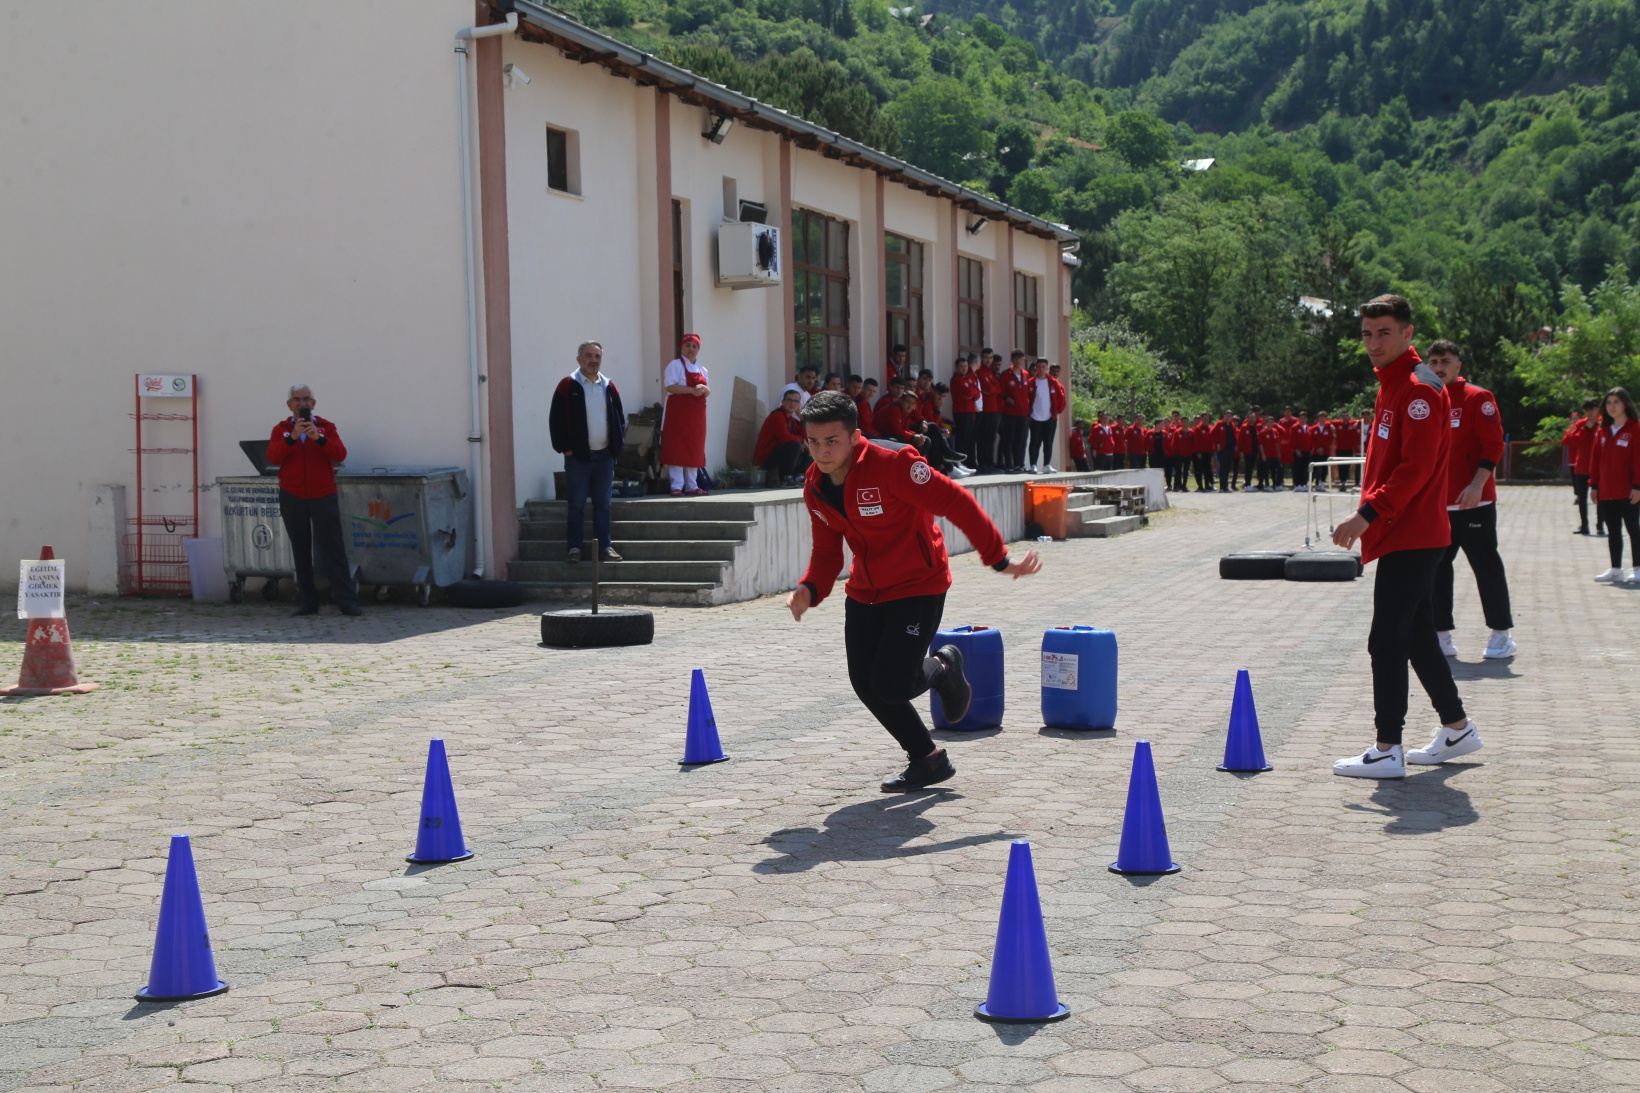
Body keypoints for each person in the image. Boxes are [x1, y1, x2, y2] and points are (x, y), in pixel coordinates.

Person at [785, 391, 1042, 792]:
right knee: (864, 683)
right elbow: (826, 553)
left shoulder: (895, 465)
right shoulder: (815, 485)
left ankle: (944, 664)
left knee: (891, 683)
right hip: (866, 590)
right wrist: (810, 589)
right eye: (813, 442)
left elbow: (957, 502)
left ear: (855, 437)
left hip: (918, 585)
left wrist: (999, 558)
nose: (821, 451)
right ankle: (927, 759)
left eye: (832, 441)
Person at [1331, 295, 1476, 779]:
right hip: (1407, 532)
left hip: (1411, 534)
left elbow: (1415, 470)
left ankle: (1386, 749)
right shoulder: (1394, 383)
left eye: (1384, 333)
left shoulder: (1417, 389)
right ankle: (1456, 729)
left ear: (1408, 334)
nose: (1374, 342)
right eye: (1368, 334)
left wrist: (1366, 515)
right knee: (1415, 637)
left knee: (1386, 641)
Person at [1425, 340, 1515, 659]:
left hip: (1473, 503)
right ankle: (1441, 635)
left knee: (1485, 566)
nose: (1439, 367)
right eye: (1433, 361)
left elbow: (1493, 446)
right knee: (1436, 569)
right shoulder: (1424, 399)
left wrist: (1477, 484)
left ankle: (1501, 634)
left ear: (1458, 365)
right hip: (1437, 506)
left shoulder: (1478, 398)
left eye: (1445, 361)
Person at [265, 383, 361, 616]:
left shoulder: (327, 427)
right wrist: (293, 437)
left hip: (323, 495)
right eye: (296, 400)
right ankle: (308, 603)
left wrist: (318, 438)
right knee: (300, 549)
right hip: (293, 495)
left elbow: (340, 454)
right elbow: (273, 457)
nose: (302, 403)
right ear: (289, 405)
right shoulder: (281, 429)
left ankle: (347, 602)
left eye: (306, 399)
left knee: (333, 549)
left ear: (313, 403)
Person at [549, 341, 628, 563]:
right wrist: (565, 448)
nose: (593, 360)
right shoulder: (567, 385)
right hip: (578, 458)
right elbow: (556, 420)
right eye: (589, 355)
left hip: (604, 457)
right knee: (576, 504)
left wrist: (616, 448)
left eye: (597, 356)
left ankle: (605, 547)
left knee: (604, 504)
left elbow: (619, 418)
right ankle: (574, 548)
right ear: (579, 359)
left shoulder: (609, 386)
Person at [1590, 387, 1640, 583]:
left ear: (1625, 404)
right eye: (1608, 403)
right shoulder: (1602, 431)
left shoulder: (1635, 429)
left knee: (1633, 529)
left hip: (1629, 491)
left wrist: (1638, 486)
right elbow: (1595, 461)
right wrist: (1594, 485)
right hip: (1606, 492)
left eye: (1616, 402)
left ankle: (1637, 568)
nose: (1612, 406)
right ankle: (1616, 569)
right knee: (1613, 530)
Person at [661, 334, 710, 496]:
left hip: (696, 416)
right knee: (677, 447)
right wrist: (692, 390)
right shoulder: (674, 366)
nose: (691, 349)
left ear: (698, 350)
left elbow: (707, 391)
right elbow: (670, 387)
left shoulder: (703, 370)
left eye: (694, 346)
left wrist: (705, 390)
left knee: (694, 448)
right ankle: (676, 485)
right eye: (688, 345)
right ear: (681, 348)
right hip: (678, 414)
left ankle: (692, 485)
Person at [756, 388, 810, 486]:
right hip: (768, 458)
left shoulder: (792, 420)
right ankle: (787, 477)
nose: (792, 404)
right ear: (783, 402)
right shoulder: (777, 415)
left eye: (795, 401)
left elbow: (806, 437)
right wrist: (802, 441)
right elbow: (785, 437)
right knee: (796, 444)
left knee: (811, 447)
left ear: (799, 405)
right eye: (789, 400)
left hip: (780, 458)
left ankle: (799, 476)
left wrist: (803, 420)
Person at [1565, 398, 1602, 535]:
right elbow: (1571, 441)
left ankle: (1600, 525)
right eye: (1587, 410)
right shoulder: (1581, 424)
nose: (1590, 412)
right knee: (1582, 497)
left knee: (1601, 498)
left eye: (1592, 409)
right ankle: (1584, 525)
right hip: (1582, 466)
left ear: (1598, 409)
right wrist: (1586, 428)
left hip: (1598, 467)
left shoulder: (1604, 423)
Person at [1027, 359, 1064, 473]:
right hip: (1035, 417)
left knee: (1048, 442)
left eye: (1044, 367)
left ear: (1047, 368)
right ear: (1036, 368)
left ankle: (1046, 464)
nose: (1041, 369)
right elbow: (1026, 399)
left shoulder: (1053, 382)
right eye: (1039, 367)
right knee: (1034, 442)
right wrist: (1028, 414)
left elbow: (1062, 399)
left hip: (1049, 417)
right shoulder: (1031, 382)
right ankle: (1033, 464)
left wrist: (1056, 412)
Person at [999, 351, 1031, 472]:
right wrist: (1007, 398)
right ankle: (1009, 464)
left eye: (1020, 358)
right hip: (1010, 413)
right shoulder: (1006, 374)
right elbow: (1000, 392)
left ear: (1024, 359)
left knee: (1021, 440)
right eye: (1015, 358)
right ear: (1012, 359)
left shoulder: (1026, 374)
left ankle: (1019, 464)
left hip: (1023, 413)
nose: (1018, 361)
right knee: (1009, 439)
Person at [950, 356, 981, 467]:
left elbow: (977, 393)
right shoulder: (956, 379)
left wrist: (971, 395)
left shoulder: (968, 378)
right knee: (962, 439)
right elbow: (968, 392)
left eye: (966, 366)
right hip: (961, 412)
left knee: (970, 439)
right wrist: (971, 395)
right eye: (961, 366)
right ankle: (960, 463)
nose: (964, 368)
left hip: (970, 412)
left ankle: (970, 462)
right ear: (957, 367)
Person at [976, 350, 1002, 472]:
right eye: (986, 357)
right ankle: (983, 464)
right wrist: (993, 389)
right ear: (981, 358)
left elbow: (997, 388)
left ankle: (990, 463)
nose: (988, 360)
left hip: (995, 409)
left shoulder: (990, 372)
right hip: (985, 410)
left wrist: (993, 390)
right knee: (984, 438)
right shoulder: (980, 371)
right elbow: (988, 388)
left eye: (990, 358)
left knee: (991, 438)